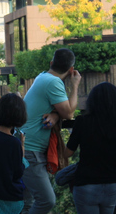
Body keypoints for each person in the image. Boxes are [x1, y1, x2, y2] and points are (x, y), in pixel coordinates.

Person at [21, 48, 81, 214]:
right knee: (47, 200)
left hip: (27, 147)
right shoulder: (53, 82)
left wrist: (55, 114)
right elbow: (69, 113)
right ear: (70, 70)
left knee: (28, 202)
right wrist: (75, 86)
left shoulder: (43, 77)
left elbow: (58, 110)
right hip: (31, 151)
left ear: (51, 63)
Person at [64, 82, 116, 213]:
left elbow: (67, 153)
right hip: (110, 184)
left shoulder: (82, 122)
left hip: (85, 183)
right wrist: (115, 164)